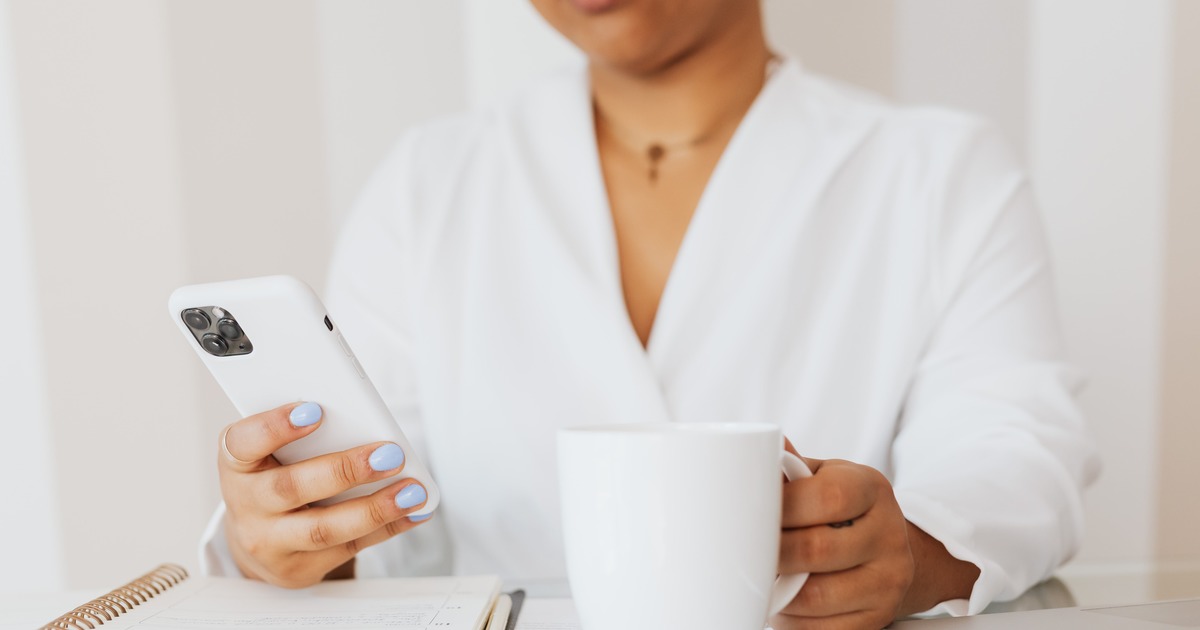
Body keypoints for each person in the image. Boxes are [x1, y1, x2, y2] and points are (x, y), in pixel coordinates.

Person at [201, 0, 1099, 627]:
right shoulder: (427, 182)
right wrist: (291, 540)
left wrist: (907, 556)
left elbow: (1015, 454)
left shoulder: (942, 172)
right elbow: (388, 521)